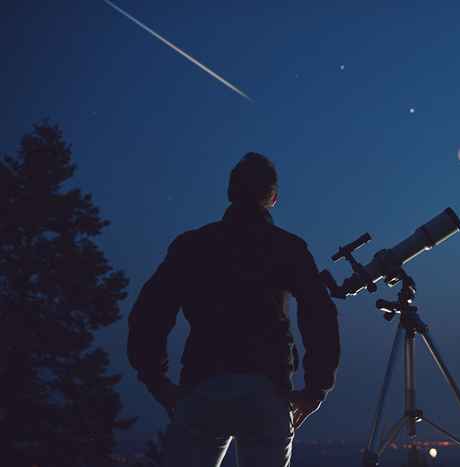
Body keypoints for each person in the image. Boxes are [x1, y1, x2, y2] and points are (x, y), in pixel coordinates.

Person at [127, 152, 341, 467]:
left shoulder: (192, 245)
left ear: (229, 193)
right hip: (267, 389)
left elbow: (150, 313)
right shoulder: (287, 247)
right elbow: (318, 315)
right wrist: (315, 388)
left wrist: (156, 381)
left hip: (202, 385)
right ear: (273, 198)